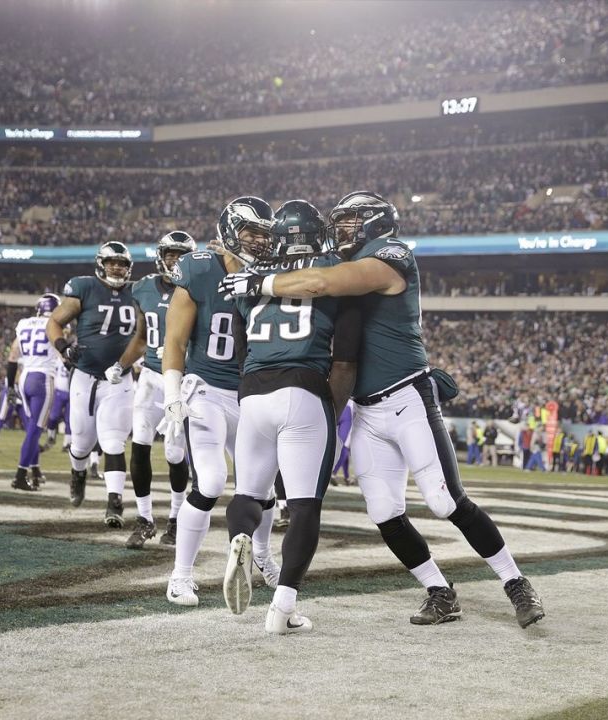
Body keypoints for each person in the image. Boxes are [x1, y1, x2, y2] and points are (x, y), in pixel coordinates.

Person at [219, 190, 544, 628]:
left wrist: (261, 281)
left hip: (407, 395)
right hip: (367, 410)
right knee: (384, 513)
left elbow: (327, 283)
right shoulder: (337, 260)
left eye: (351, 220)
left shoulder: (391, 254)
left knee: (444, 500)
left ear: (376, 221)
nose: (342, 229)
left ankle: (516, 582)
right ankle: (438, 590)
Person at [221, 199, 360, 633]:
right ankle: (283, 608)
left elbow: (242, 352)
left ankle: (240, 539)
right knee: (303, 505)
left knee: (247, 494)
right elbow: (346, 361)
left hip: (254, 394)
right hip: (303, 388)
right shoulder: (335, 272)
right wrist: (327, 412)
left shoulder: (250, 279)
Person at [160, 197, 280, 607]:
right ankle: (180, 576)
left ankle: (262, 554)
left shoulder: (272, 275)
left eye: (265, 234)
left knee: (262, 489)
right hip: (207, 388)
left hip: (253, 394)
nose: (260, 241)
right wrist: (172, 394)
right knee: (210, 481)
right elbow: (175, 340)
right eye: (252, 232)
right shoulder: (198, 268)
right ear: (230, 231)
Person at [115, 231, 197, 547]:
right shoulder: (143, 288)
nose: (176, 262)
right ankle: (144, 519)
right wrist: (121, 365)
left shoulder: (196, 288)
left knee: (175, 453)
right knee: (140, 444)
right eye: (171, 255)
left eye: (182, 256)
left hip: (179, 378)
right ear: (161, 257)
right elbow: (139, 336)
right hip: (149, 375)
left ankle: (175, 519)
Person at [46, 242, 138, 526]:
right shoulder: (84, 288)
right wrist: (63, 347)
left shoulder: (137, 292)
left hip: (119, 378)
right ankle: (78, 473)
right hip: (85, 377)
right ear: (101, 263)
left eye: (122, 263)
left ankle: (114, 503)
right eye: (112, 262)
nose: (116, 268)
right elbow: (54, 322)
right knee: (82, 443)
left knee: (113, 441)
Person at [6, 294, 62, 493]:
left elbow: (13, 356)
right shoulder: (55, 324)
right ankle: (20, 475)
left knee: (32, 427)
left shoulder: (24, 324)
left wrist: (9, 386)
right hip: (43, 379)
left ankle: (35, 470)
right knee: (35, 430)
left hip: (24, 378)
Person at [332, 400, 355, 485]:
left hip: (338, 407)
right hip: (349, 414)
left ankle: (347, 477)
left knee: (343, 448)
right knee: (344, 448)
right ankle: (333, 472)